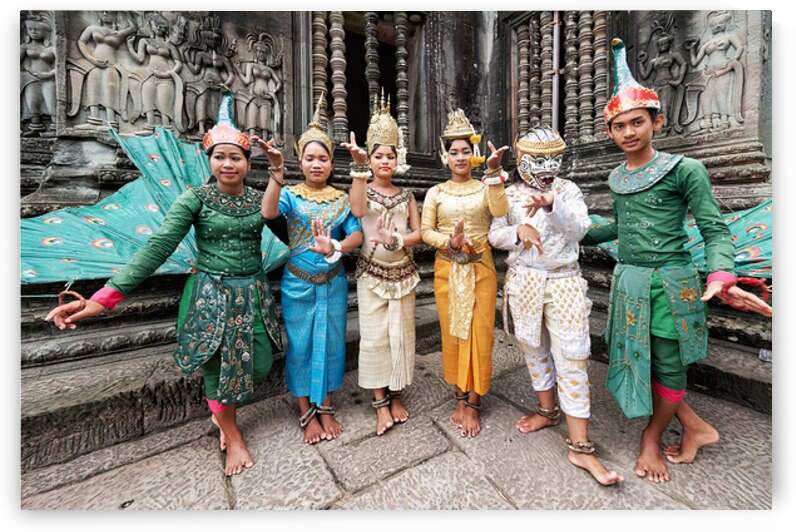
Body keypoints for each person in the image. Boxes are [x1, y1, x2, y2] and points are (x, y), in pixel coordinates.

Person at [45, 87, 284, 477]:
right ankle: (231, 432)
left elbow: (276, 216)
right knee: (216, 369)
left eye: (235, 157)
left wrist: (278, 171)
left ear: (246, 163)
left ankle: (223, 418)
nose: (228, 163)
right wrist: (103, 299)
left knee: (256, 364)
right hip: (212, 295)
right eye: (219, 156)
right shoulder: (194, 199)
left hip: (253, 293)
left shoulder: (257, 198)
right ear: (209, 161)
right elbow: (156, 247)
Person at [582, 39, 772, 483]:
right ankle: (695, 427)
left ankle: (651, 437)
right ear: (610, 132)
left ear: (657, 121)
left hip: (672, 284)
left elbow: (714, 229)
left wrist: (722, 273)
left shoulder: (687, 168)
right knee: (639, 359)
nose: (628, 132)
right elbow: (621, 227)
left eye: (636, 122)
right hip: (629, 282)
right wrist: (565, 222)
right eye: (618, 126)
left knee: (667, 364)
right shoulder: (615, 176)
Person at [488, 125, 623, 486]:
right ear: (523, 161)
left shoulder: (568, 190)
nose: (548, 167)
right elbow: (494, 233)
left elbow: (580, 230)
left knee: (573, 355)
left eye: (554, 159)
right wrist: (518, 232)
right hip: (525, 280)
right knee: (534, 350)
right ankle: (547, 411)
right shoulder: (508, 193)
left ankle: (581, 445)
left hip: (563, 280)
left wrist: (552, 205)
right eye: (539, 160)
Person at [260, 94, 363, 444]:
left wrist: (335, 245)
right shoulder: (289, 195)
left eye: (323, 158)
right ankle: (305, 408)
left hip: (333, 281)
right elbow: (269, 214)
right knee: (301, 344)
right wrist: (276, 173)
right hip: (297, 283)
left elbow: (357, 235)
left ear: (332, 164)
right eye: (309, 158)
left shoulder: (341, 199)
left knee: (333, 343)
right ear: (300, 163)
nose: (316, 164)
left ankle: (327, 403)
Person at [420, 107, 521, 437]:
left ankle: (475, 402)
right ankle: (460, 397)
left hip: (481, 269)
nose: (460, 157)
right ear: (445, 156)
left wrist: (493, 176)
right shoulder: (436, 192)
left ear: (474, 154)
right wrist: (450, 241)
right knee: (453, 334)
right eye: (454, 151)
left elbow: (501, 211)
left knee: (479, 334)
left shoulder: (484, 186)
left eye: (466, 151)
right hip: (448, 269)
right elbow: (425, 232)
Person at [343, 92, 421, 436]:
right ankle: (379, 402)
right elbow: (359, 212)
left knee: (400, 336)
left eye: (390, 155)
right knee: (374, 338)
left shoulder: (407, 195)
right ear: (370, 159)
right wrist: (359, 170)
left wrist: (399, 240)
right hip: (371, 273)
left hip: (403, 272)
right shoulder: (362, 188)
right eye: (378, 155)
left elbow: (420, 233)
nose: (385, 161)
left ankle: (396, 393)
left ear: (397, 157)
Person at [20, 11, 56, 137]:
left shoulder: (52, 48)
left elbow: (60, 65)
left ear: (46, 32)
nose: (33, 32)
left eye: (37, 29)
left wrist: (50, 74)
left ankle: (55, 128)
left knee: (51, 103)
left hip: (48, 78)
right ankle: (36, 127)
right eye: (30, 29)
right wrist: (25, 69)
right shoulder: (25, 47)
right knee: (32, 103)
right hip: (31, 78)